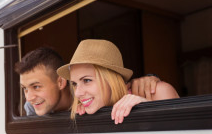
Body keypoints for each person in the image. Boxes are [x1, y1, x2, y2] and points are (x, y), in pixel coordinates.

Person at [56, 39, 179, 124]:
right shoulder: (91, 108)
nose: (77, 93)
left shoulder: (157, 92)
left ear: (111, 80)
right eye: (75, 84)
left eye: (87, 80)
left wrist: (145, 107)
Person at [15, 46, 161, 117]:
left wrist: (149, 79)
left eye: (36, 86)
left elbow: (116, 89)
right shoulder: (31, 107)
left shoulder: (87, 96)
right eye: (25, 88)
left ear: (61, 83)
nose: (29, 97)